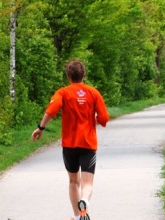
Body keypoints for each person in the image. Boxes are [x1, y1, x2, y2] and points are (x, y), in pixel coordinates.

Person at [31, 59, 109, 220]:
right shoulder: (93, 93)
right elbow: (104, 118)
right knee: (87, 183)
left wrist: (41, 128)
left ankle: (77, 215)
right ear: (84, 75)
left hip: (69, 145)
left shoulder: (63, 93)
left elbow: (52, 110)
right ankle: (85, 202)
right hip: (88, 144)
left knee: (74, 181)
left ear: (68, 76)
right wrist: (95, 119)